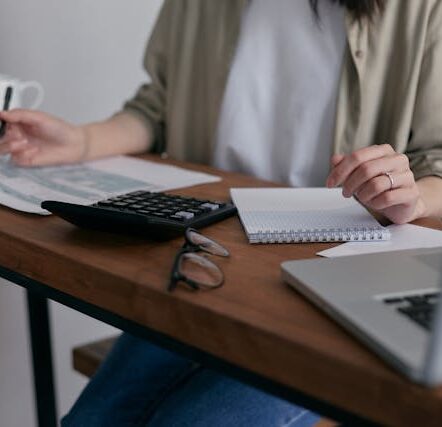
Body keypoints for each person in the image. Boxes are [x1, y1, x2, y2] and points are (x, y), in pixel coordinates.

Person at [1, 0, 442, 425]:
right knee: (89, 421)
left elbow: (436, 161)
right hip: (207, 262)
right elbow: (157, 109)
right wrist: (80, 142)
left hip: (336, 280)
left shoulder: (423, 9)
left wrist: (413, 197)